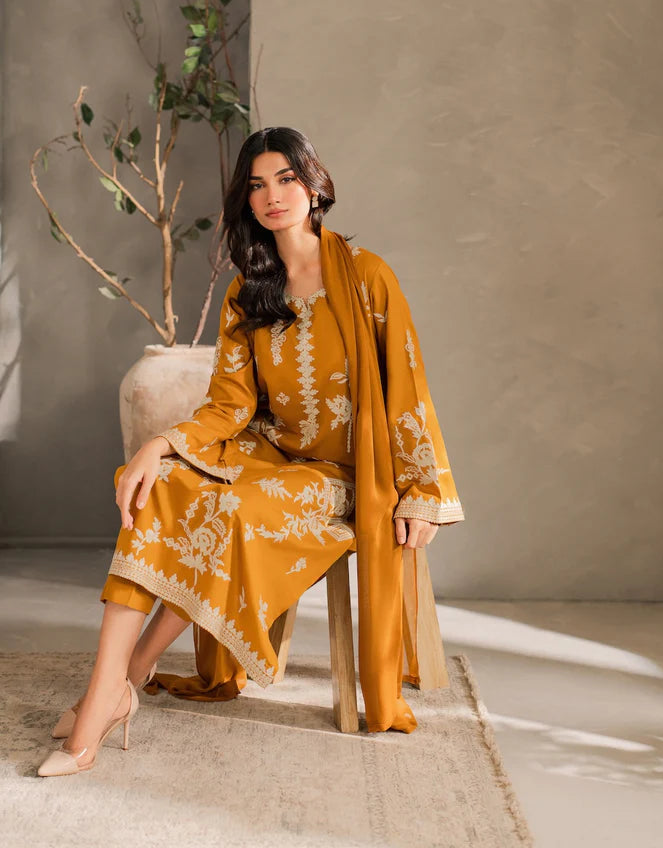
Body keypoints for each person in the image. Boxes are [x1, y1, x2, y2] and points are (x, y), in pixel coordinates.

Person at [37, 127, 465, 776]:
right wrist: (160, 445)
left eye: (286, 179)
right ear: (246, 199)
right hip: (269, 457)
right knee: (159, 490)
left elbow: (409, 387)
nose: (273, 196)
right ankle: (109, 691)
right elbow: (229, 406)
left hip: (345, 476)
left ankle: (124, 681)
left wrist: (423, 492)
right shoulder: (249, 289)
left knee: (228, 510)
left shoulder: (368, 276)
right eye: (258, 185)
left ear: (314, 185)